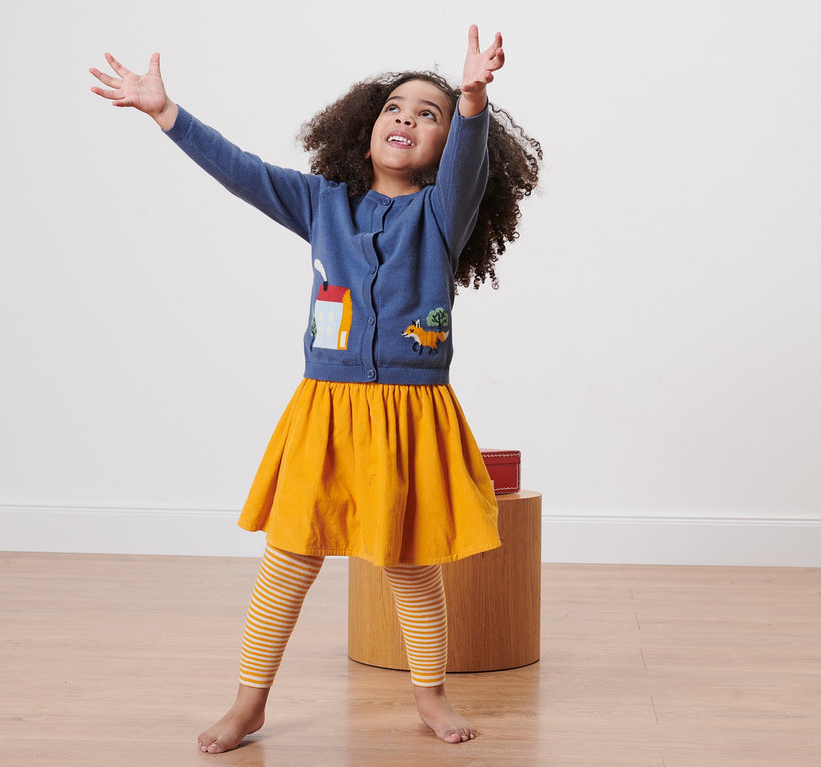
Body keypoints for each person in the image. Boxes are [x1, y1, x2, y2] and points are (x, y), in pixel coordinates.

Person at [90, 24, 541, 752]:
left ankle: (430, 694)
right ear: (362, 131)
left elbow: (466, 168)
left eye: (427, 114)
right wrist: (167, 115)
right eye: (395, 107)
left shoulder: (438, 215)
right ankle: (249, 701)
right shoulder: (322, 203)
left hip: (408, 413)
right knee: (289, 557)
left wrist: (472, 101)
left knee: (409, 561)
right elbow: (241, 170)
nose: (407, 119)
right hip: (326, 409)